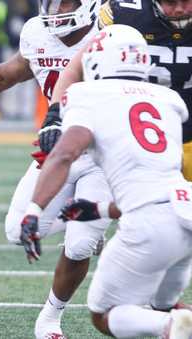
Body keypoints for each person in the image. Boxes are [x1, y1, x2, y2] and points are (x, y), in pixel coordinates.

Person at [0, 1, 111, 337]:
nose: (56, 8)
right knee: (15, 231)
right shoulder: (37, 31)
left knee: (79, 246)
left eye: (65, 1)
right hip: (56, 151)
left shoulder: (113, 31)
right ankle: (89, 217)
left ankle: (50, 317)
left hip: (103, 155)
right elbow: (12, 71)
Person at [21, 24, 192, 338]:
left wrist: (34, 209)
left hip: (150, 223)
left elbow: (64, 154)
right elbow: (148, 176)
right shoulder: (168, 99)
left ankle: (169, 326)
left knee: (104, 314)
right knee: (167, 306)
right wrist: (100, 209)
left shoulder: (88, 95)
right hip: (185, 211)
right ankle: (171, 321)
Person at [47, 0, 192, 180]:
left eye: (186, 1)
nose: (179, 9)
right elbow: (75, 69)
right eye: (171, 2)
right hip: (132, 138)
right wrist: (54, 115)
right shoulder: (127, 14)